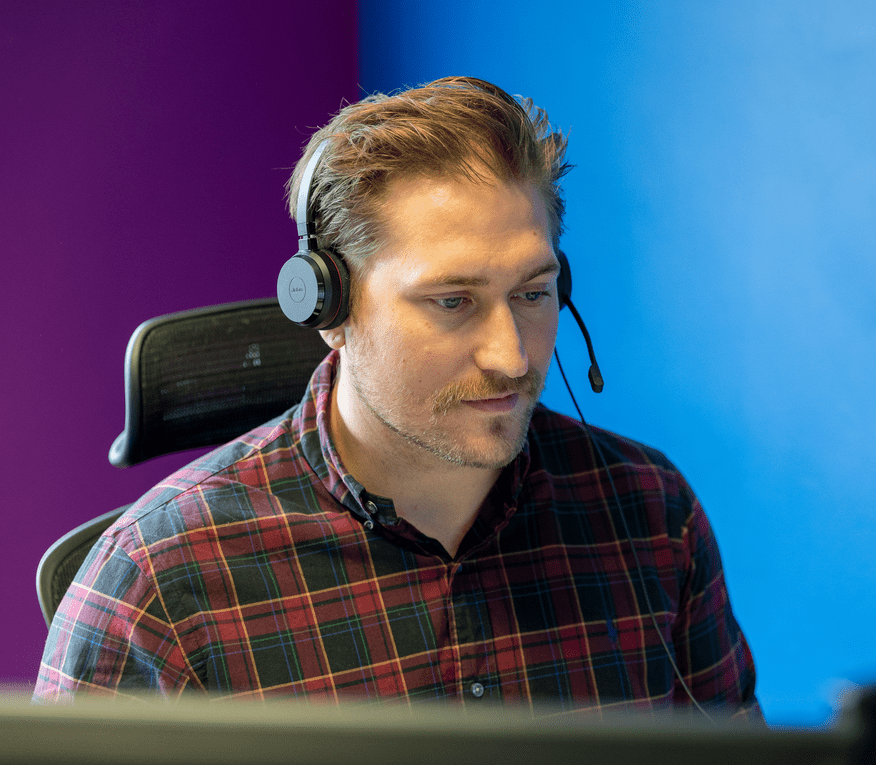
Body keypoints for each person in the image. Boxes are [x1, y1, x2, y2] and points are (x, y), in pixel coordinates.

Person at [36, 77, 758, 717]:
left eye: (533, 294)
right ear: (330, 308)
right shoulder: (158, 587)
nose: (511, 357)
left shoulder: (650, 516)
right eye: (452, 301)